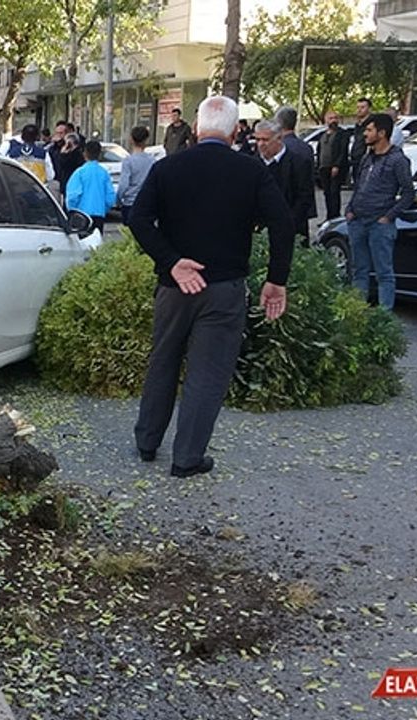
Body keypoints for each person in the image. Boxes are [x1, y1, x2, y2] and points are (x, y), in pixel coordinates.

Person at [128, 95, 294, 478]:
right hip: (223, 288)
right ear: (237, 131)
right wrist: (276, 279)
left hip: (173, 287)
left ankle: (147, 441)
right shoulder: (251, 172)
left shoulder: (168, 167)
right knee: (208, 371)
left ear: (198, 129)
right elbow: (283, 224)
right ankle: (187, 458)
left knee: (163, 360)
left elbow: (138, 219)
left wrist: (171, 261)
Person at [344, 112, 415, 310]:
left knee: (384, 273)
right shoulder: (368, 158)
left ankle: (384, 319)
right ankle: (356, 313)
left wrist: (388, 217)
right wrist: (350, 209)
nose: (365, 134)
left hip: (379, 225)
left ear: (382, 133)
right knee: (359, 270)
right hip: (358, 221)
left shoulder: (398, 160)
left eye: (369, 130)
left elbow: (409, 193)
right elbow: (358, 186)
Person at [254, 119, 314, 242]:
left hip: (291, 229)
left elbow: (305, 198)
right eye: (257, 139)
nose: (260, 144)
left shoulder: (299, 163)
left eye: (265, 140)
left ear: (279, 138)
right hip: (259, 232)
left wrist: (287, 224)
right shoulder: (252, 163)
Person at [66, 140, 116, 231]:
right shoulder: (104, 173)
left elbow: (73, 196)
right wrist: (104, 209)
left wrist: (72, 210)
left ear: (85, 153)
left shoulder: (79, 173)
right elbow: (110, 197)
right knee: (97, 242)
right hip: (99, 214)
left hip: (82, 215)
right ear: (100, 154)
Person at [317, 110, 350, 219]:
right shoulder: (322, 135)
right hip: (323, 168)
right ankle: (328, 216)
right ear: (326, 120)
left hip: (335, 168)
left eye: (335, 118)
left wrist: (337, 165)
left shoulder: (342, 134)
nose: (334, 120)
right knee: (327, 193)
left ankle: (335, 216)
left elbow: (342, 151)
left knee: (334, 192)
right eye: (331, 118)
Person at [116, 125, 154, 218]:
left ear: (131, 140)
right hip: (147, 202)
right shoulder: (152, 161)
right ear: (146, 140)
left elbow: (123, 184)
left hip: (130, 202)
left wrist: (119, 199)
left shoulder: (128, 161)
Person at [349, 97, 373, 183]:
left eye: (362, 107)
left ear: (369, 108)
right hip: (356, 160)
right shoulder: (358, 125)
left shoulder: (372, 123)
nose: (359, 110)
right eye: (358, 107)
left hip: (366, 160)